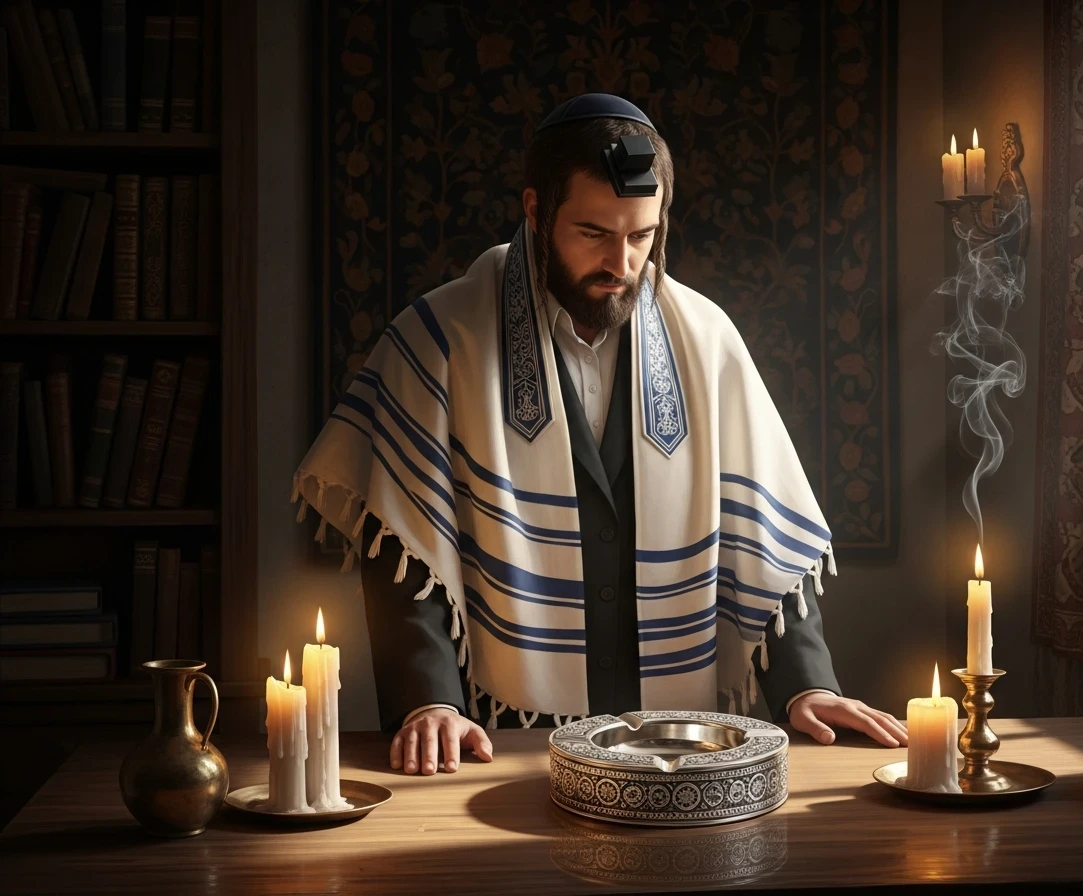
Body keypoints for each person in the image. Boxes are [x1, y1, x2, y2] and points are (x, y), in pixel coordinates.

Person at [293, 94, 908, 776]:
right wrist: (426, 703)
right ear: (534, 210)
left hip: (680, 747)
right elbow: (402, 543)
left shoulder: (706, 342)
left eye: (642, 236)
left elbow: (760, 535)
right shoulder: (441, 340)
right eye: (593, 233)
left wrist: (806, 685)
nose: (621, 261)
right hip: (503, 743)